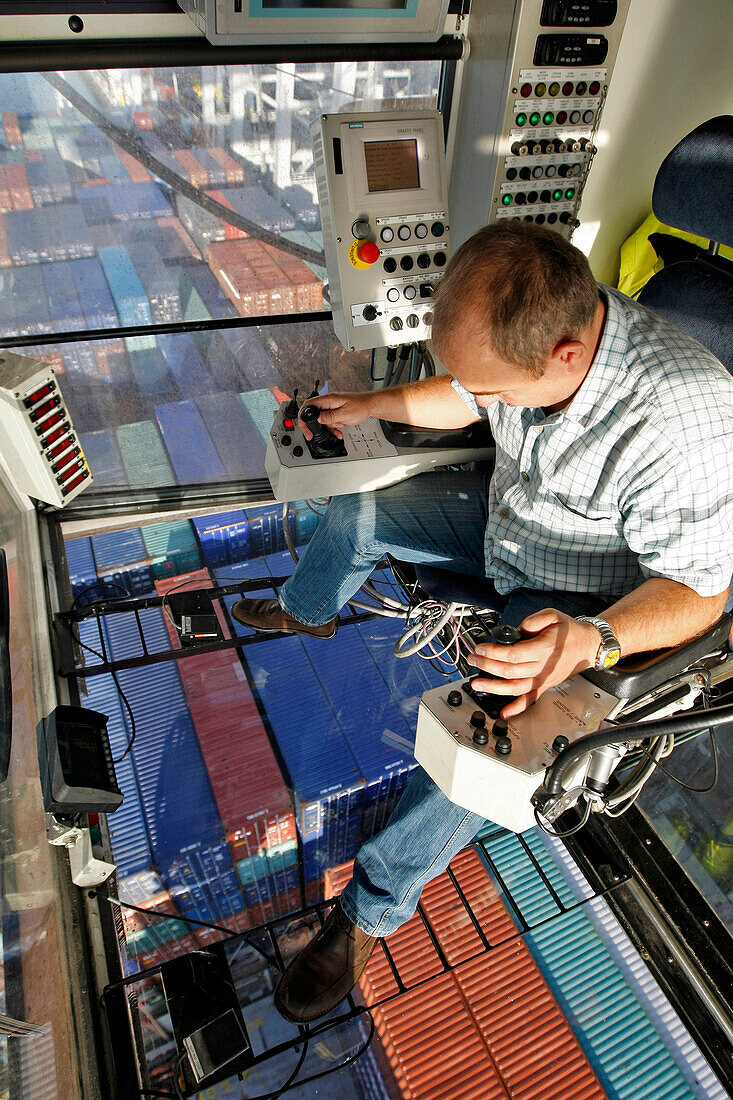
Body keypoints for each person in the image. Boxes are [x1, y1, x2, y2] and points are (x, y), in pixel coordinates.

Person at [232, 222, 733, 1024]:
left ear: (566, 356)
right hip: (513, 526)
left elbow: (703, 594)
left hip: (582, 601)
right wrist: (374, 405)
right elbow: (465, 392)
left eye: (496, 392)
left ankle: (369, 910)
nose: (481, 401)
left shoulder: (681, 424)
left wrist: (589, 640)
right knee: (359, 508)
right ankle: (309, 611)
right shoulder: (541, 332)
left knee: (488, 735)